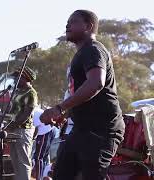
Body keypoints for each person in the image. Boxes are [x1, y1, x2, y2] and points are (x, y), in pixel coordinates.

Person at [40, 10, 125, 180]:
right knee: (61, 173)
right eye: (67, 22)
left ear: (88, 26)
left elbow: (96, 83)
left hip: (101, 130)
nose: (67, 25)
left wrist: (60, 108)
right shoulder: (81, 54)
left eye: (73, 21)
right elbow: (84, 95)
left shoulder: (93, 50)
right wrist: (67, 112)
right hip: (82, 129)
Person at [8, 66, 38, 180]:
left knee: (23, 161)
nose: (15, 80)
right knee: (15, 160)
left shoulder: (31, 93)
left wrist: (11, 126)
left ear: (25, 78)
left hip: (23, 130)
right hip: (13, 129)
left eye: (17, 77)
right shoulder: (17, 92)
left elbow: (26, 114)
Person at [32, 107, 57, 180]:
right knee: (44, 157)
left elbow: (35, 129)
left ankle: (39, 178)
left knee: (38, 157)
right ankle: (42, 176)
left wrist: (33, 138)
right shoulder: (34, 109)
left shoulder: (28, 111)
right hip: (50, 129)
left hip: (45, 130)